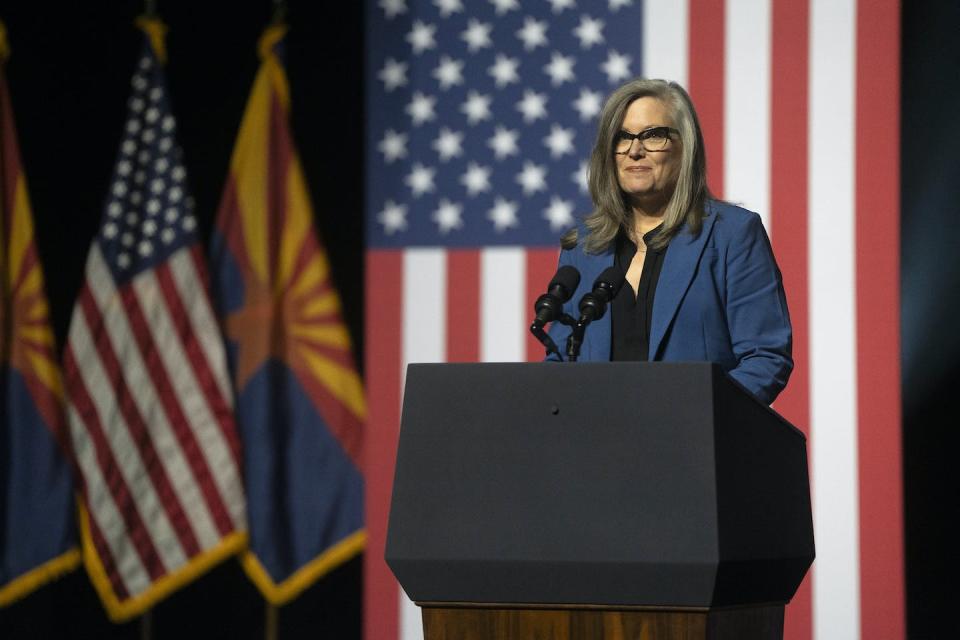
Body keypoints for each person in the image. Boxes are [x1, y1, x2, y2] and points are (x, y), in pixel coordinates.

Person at [546, 78, 792, 405]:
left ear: (684, 147)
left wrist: (699, 420)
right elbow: (561, 361)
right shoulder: (584, 246)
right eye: (622, 137)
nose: (635, 150)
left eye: (653, 135)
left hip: (696, 444)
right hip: (601, 446)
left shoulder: (731, 234)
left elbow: (766, 357)